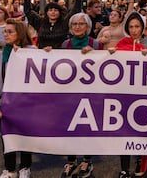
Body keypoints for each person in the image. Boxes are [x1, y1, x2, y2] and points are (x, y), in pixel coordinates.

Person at [111, 12, 147, 178]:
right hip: (125, 93)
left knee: (141, 129)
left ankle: (140, 160)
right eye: (130, 27)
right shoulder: (122, 42)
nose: (134, 30)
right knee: (124, 131)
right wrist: (111, 53)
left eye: (137, 26)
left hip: (145, 92)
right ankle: (124, 168)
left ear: (143, 27)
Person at [59, 13, 103, 178]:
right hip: (70, 92)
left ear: (88, 27)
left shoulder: (96, 44)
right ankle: (71, 161)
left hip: (90, 92)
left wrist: (95, 55)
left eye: (81, 24)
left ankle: (86, 160)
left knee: (86, 126)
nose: (77, 27)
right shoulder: (65, 44)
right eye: (74, 24)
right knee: (70, 126)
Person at [0, 19, 36, 178]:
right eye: (4, 31)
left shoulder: (32, 52)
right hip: (6, 102)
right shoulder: (2, 54)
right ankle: (10, 169)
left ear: (20, 34)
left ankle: (25, 167)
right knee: (7, 135)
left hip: (26, 102)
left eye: (10, 31)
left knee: (25, 135)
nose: (5, 34)